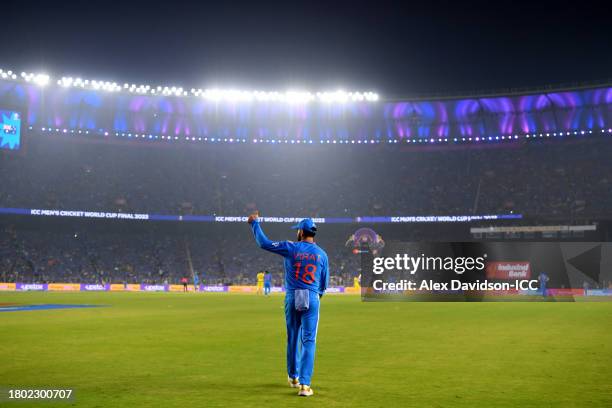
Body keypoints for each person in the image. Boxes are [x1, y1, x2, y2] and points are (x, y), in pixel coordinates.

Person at [248, 212, 328, 397]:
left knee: (292, 337)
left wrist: (255, 224)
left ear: (301, 231)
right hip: (312, 296)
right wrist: (315, 296)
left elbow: (264, 243)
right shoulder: (322, 255)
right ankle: (305, 386)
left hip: (292, 297)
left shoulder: (290, 247)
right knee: (309, 340)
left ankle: (293, 377)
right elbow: (324, 284)